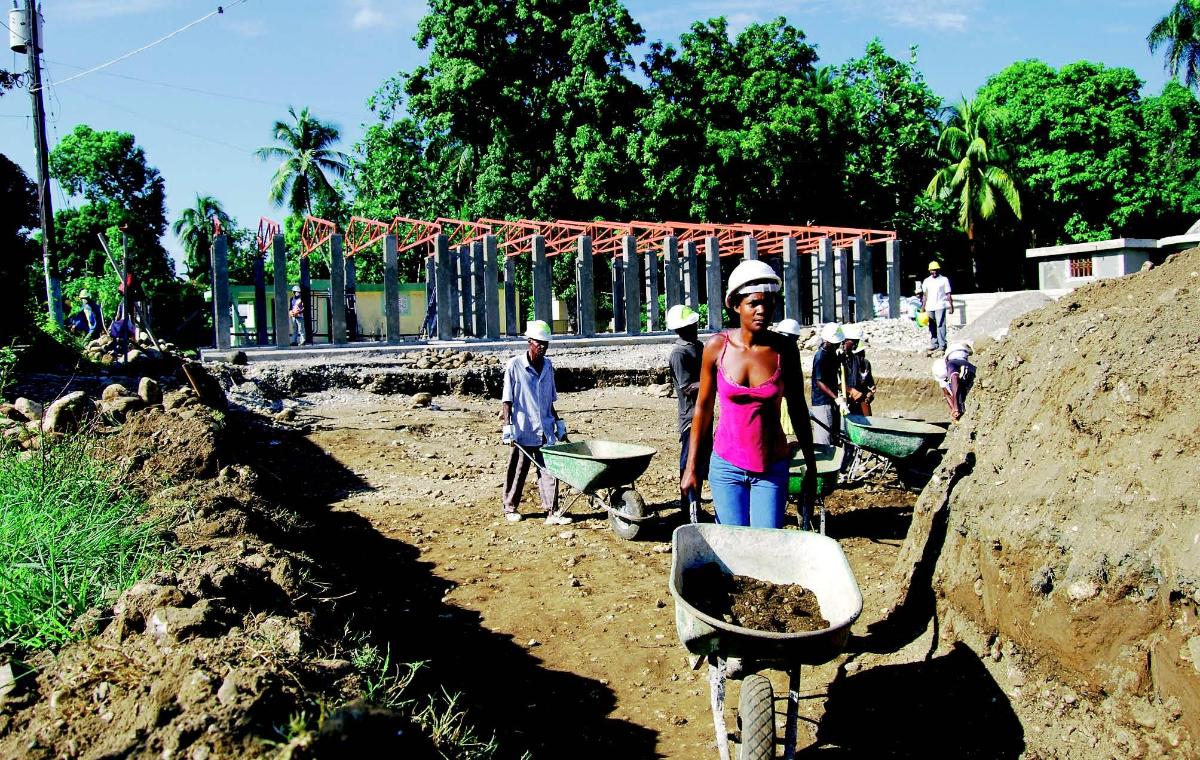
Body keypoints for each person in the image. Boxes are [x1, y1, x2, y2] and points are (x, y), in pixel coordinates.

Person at [681, 260, 817, 529]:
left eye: (769, 303)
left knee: (766, 545)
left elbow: (798, 408)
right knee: (733, 546)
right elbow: (703, 409)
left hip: (771, 467)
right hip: (725, 466)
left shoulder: (784, 350)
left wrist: (811, 466)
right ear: (735, 305)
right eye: (754, 303)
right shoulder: (716, 347)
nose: (763, 310)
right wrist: (691, 466)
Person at [501, 320, 569, 525]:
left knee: (549, 470)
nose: (543, 347)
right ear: (529, 342)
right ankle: (510, 507)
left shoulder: (548, 365)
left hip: (545, 428)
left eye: (546, 344)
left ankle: (552, 511)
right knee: (518, 469)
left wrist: (559, 422)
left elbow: (549, 399)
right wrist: (507, 425)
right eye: (539, 343)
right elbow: (507, 399)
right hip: (523, 429)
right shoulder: (515, 365)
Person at [667, 304, 704, 515]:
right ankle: (686, 508)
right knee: (688, 461)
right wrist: (711, 380)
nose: (696, 326)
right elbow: (687, 387)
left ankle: (695, 505)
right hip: (690, 417)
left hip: (703, 414)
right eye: (692, 323)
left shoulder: (697, 346)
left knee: (699, 463)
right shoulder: (679, 353)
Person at [810, 322, 849, 445]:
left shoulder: (831, 352)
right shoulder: (820, 357)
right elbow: (820, 382)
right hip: (822, 402)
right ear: (829, 342)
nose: (839, 345)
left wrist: (840, 359)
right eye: (837, 343)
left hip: (831, 400)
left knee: (834, 435)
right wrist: (837, 398)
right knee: (824, 439)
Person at [936, 340, 977, 421]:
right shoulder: (941, 372)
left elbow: (954, 380)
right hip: (962, 359)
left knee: (957, 384)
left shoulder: (949, 365)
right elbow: (947, 394)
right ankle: (959, 408)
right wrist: (953, 408)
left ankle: (960, 408)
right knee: (957, 386)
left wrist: (955, 407)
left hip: (958, 360)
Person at [841, 325, 876, 416]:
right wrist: (851, 391)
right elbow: (835, 383)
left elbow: (869, 385)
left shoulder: (865, 364)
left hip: (859, 403)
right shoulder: (841, 362)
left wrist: (869, 394)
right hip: (843, 402)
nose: (861, 357)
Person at [920, 261, 954, 353]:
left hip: (940, 305)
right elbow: (925, 295)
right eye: (932, 270)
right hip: (929, 307)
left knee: (940, 325)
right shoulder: (926, 281)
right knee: (932, 325)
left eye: (935, 270)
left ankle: (942, 345)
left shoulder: (944, 280)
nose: (933, 272)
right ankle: (934, 344)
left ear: (938, 270)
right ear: (929, 271)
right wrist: (923, 307)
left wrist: (951, 306)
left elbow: (948, 294)